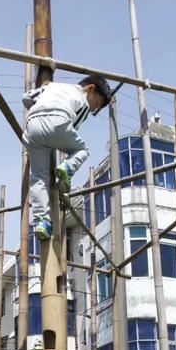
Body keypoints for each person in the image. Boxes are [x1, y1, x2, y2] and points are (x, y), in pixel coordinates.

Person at [23, 75, 112, 240]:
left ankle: (42, 220)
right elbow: (71, 128)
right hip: (58, 121)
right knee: (82, 150)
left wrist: (39, 108)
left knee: (38, 178)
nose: (93, 109)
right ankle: (66, 168)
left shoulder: (51, 86)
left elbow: (26, 97)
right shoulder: (82, 100)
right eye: (96, 103)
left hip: (32, 126)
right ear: (90, 89)